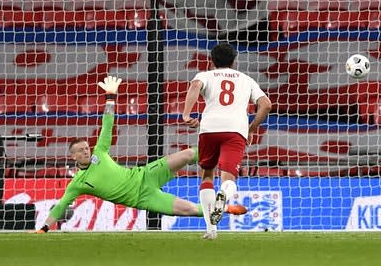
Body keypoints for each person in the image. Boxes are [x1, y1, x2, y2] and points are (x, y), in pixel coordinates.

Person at [34, 75, 246, 233]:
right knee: (189, 209)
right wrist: (43, 229)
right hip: (143, 198)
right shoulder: (78, 183)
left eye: (86, 147)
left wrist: (110, 97)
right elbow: (61, 205)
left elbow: (107, 125)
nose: (86, 150)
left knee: (188, 154)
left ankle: (228, 155)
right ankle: (225, 208)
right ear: (73, 157)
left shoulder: (100, 151)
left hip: (145, 174)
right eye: (80, 150)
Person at [182, 43, 272, 240]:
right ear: (234, 61)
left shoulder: (205, 76)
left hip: (209, 129)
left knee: (207, 175)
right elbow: (266, 105)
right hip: (235, 130)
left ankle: (211, 230)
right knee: (228, 179)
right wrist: (251, 129)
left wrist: (186, 114)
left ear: (212, 61)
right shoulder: (246, 80)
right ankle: (223, 194)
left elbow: (195, 86)